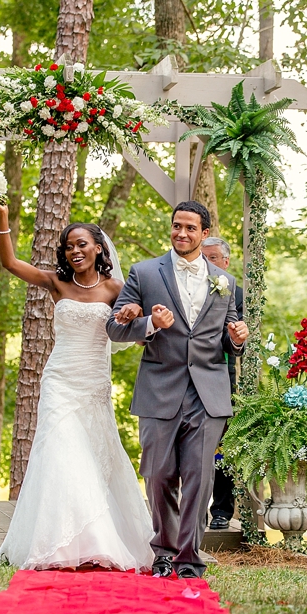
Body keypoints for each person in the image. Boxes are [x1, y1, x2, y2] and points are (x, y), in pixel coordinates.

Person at [0, 189, 155, 573]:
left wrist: (133, 314)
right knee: (62, 455)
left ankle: (95, 542)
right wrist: (4, 217)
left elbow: (130, 328)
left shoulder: (113, 289)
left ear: (97, 249)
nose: (74, 251)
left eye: (81, 245)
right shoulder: (56, 283)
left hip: (94, 384)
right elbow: (9, 263)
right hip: (59, 381)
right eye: (68, 247)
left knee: (93, 458)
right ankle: (55, 545)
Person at [106, 202, 248, 579]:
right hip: (159, 390)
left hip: (208, 393)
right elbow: (115, 328)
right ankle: (163, 552)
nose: (181, 234)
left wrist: (237, 339)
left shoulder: (227, 283)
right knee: (158, 475)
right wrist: (150, 323)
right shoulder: (144, 272)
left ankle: (188, 559)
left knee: (199, 478)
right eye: (176, 226)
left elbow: (232, 333)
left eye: (190, 228)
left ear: (204, 233)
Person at [201, 236, 244, 531]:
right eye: (204, 257)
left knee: (222, 446)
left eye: (214, 258)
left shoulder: (235, 292)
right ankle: (192, 511)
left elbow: (237, 337)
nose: (208, 263)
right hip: (188, 376)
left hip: (221, 376)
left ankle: (221, 510)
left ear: (226, 262)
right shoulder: (187, 288)